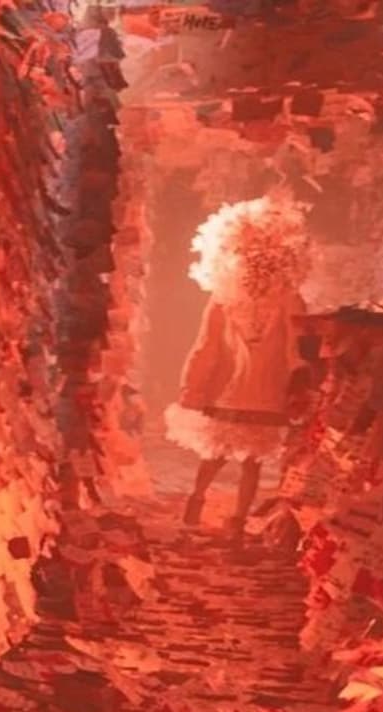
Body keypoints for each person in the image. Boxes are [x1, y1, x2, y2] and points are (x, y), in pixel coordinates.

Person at [165, 196, 312, 534]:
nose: (257, 269)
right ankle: (206, 502)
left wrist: (299, 377)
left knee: (243, 457)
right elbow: (207, 346)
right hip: (241, 389)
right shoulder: (225, 299)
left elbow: (296, 343)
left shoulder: (284, 299)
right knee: (224, 453)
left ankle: (230, 514)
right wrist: (194, 387)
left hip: (261, 390)